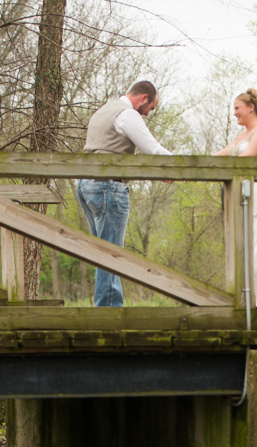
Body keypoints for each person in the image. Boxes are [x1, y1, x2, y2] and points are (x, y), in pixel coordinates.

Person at [78, 81, 172, 307]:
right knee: (111, 256)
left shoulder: (105, 110)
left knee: (102, 254)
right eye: (151, 108)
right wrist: (180, 167)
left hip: (86, 184)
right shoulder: (128, 115)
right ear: (144, 99)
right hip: (108, 187)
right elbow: (153, 150)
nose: (149, 114)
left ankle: (104, 311)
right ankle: (110, 316)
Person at [214, 88, 257, 308]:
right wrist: (191, 165)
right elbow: (220, 155)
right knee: (243, 246)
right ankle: (245, 299)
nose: (234, 113)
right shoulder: (240, 135)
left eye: (237, 108)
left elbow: (245, 159)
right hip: (241, 193)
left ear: (251, 108)